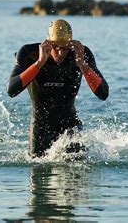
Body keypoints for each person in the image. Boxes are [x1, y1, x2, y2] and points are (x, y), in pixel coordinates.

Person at [7, 19, 108, 157]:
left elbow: (103, 93)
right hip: (40, 126)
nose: (61, 53)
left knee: (76, 166)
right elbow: (11, 90)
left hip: (70, 125)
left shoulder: (80, 54)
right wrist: (39, 63)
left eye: (65, 48)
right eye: (56, 47)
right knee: (37, 168)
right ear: (47, 43)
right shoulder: (30, 53)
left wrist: (83, 65)